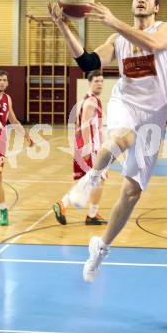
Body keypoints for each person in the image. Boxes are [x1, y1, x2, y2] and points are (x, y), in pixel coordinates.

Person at [48, 0, 167, 281]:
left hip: (154, 118)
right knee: (122, 136)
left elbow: (155, 45)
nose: (141, 0)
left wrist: (114, 22)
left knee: (131, 192)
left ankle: (100, 248)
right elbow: (88, 62)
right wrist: (64, 28)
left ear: (156, 7)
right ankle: (89, 180)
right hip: (126, 103)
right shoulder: (116, 38)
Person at [52, 70, 108, 225]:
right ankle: (89, 213)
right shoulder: (91, 101)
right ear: (89, 83)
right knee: (98, 179)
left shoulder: (89, 99)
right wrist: (87, 148)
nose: (99, 83)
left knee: (87, 180)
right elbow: (84, 124)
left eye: (101, 81)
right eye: (96, 81)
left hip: (87, 145)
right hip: (90, 147)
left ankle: (67, 205)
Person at [0, 70, 33, 226]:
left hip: (0, 142)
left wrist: (25, 135)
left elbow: (13, 119)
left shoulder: (7, 99)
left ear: (7, 83)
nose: (2, 82)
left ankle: (3, 211)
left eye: (4, 80)